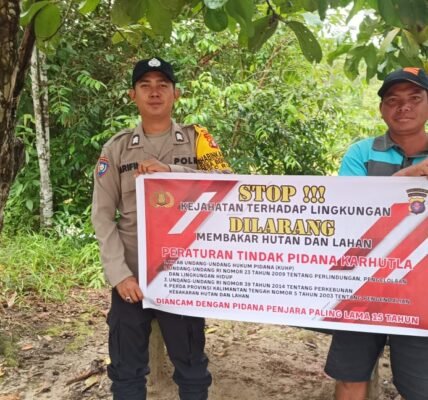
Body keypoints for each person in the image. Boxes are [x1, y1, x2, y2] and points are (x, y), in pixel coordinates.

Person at [91, 57, 231, 400]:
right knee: (126, 372)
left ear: (175, 94)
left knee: (192, 370)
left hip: (184, 276)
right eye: (145, 86)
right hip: (132, 278)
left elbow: (226, 183)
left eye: (162, 85)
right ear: (133, 95)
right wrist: (119, 276)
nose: (154, 92)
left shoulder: (198, 139)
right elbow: (102, 216)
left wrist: (171, 171)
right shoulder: (116, 148)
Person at [324, 67, 428, 400]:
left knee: (419, 386)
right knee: (350, 378)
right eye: (393, 100)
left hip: (422, 293)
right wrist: (410, 177)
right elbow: (348, 209)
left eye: (415, 98)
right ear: (382, 109)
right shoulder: (360, 153)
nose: (404, 107)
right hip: (363, 285)